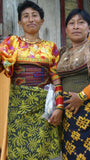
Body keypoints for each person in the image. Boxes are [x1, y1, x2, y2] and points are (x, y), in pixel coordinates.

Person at [0, 1, 64, 159]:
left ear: (42, 21)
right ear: (20, 22)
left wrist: (59, 107)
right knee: (18, 151)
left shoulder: (51, 47)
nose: (31, 19)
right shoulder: (11, 44)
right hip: (17, 108)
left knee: (41, 153)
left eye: (35, 16)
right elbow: (3, 69)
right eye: (26, 16)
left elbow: (56, 79)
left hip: (42, 109)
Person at [57, 8, 90, 160]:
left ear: (89, 28)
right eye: (71, 23)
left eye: (81, 22)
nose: (76, 26)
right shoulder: (62, 53)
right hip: (69, 116)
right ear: (66, 29)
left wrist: (82, 96)